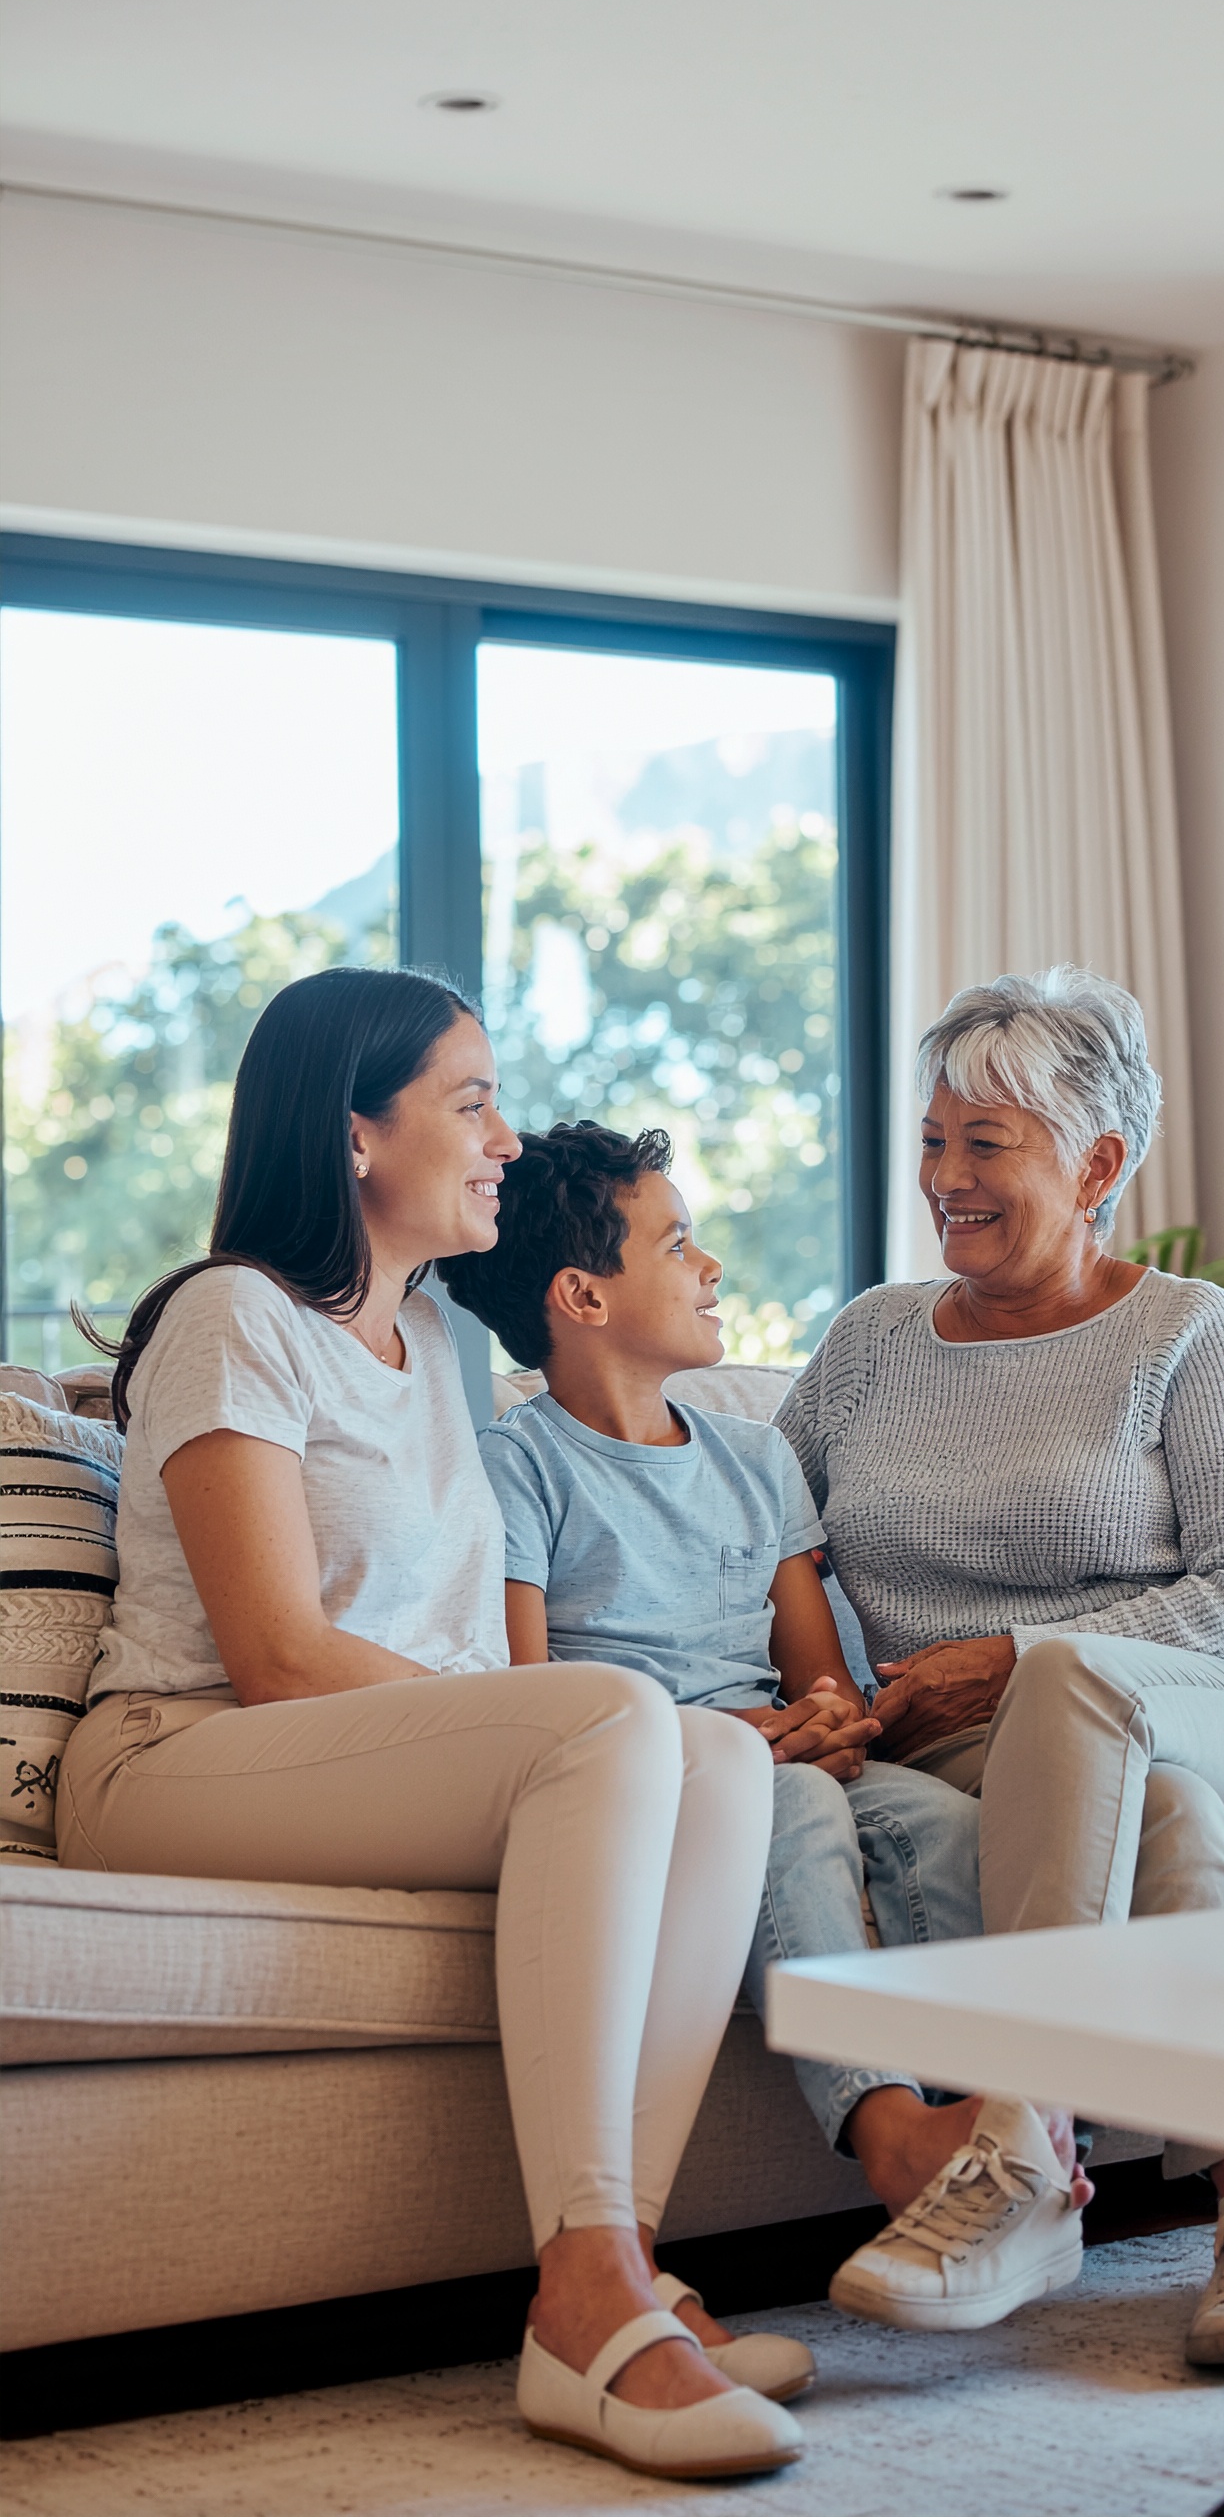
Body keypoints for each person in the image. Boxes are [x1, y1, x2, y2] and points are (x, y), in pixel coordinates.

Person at [56, 967, 804, 2482]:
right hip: (178, 1755)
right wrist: (556, 1730)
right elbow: (273, 1652)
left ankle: (618, 2275)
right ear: (352, 1136)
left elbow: (465, 1648)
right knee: (617, 1724)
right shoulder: (234, 1318)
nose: (509, 1139)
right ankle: (591, 2293)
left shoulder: (444, 1352)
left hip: (349, 1759)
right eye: (472, 1101)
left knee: (716, 1753)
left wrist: (575, 1734)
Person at [776, 966, 1224, 2369]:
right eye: (933, 1139)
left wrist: (1025, 1655)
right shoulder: (868, 1343)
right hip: (1002, 1753)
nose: (946, 1178)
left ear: (1099, 1162)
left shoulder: (1187, 1332)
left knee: (1083, 1690)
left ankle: (1020, 2142)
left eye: (989, 1144)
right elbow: (759, 1536)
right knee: (1165, 1821)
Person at [441, 1121, 1071, 2339]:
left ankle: (1005, 2120)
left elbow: (820, 1677)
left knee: (944, 1819)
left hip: (790, 1752)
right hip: (657, 1776)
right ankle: (887, 2130)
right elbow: (528, 1695)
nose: (711, 1264)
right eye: (677, 1242)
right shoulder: (518, 1466)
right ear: (583, 1294)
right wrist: (757, 1738)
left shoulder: (756, 1457)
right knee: (785, 1807)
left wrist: (828, 1720)